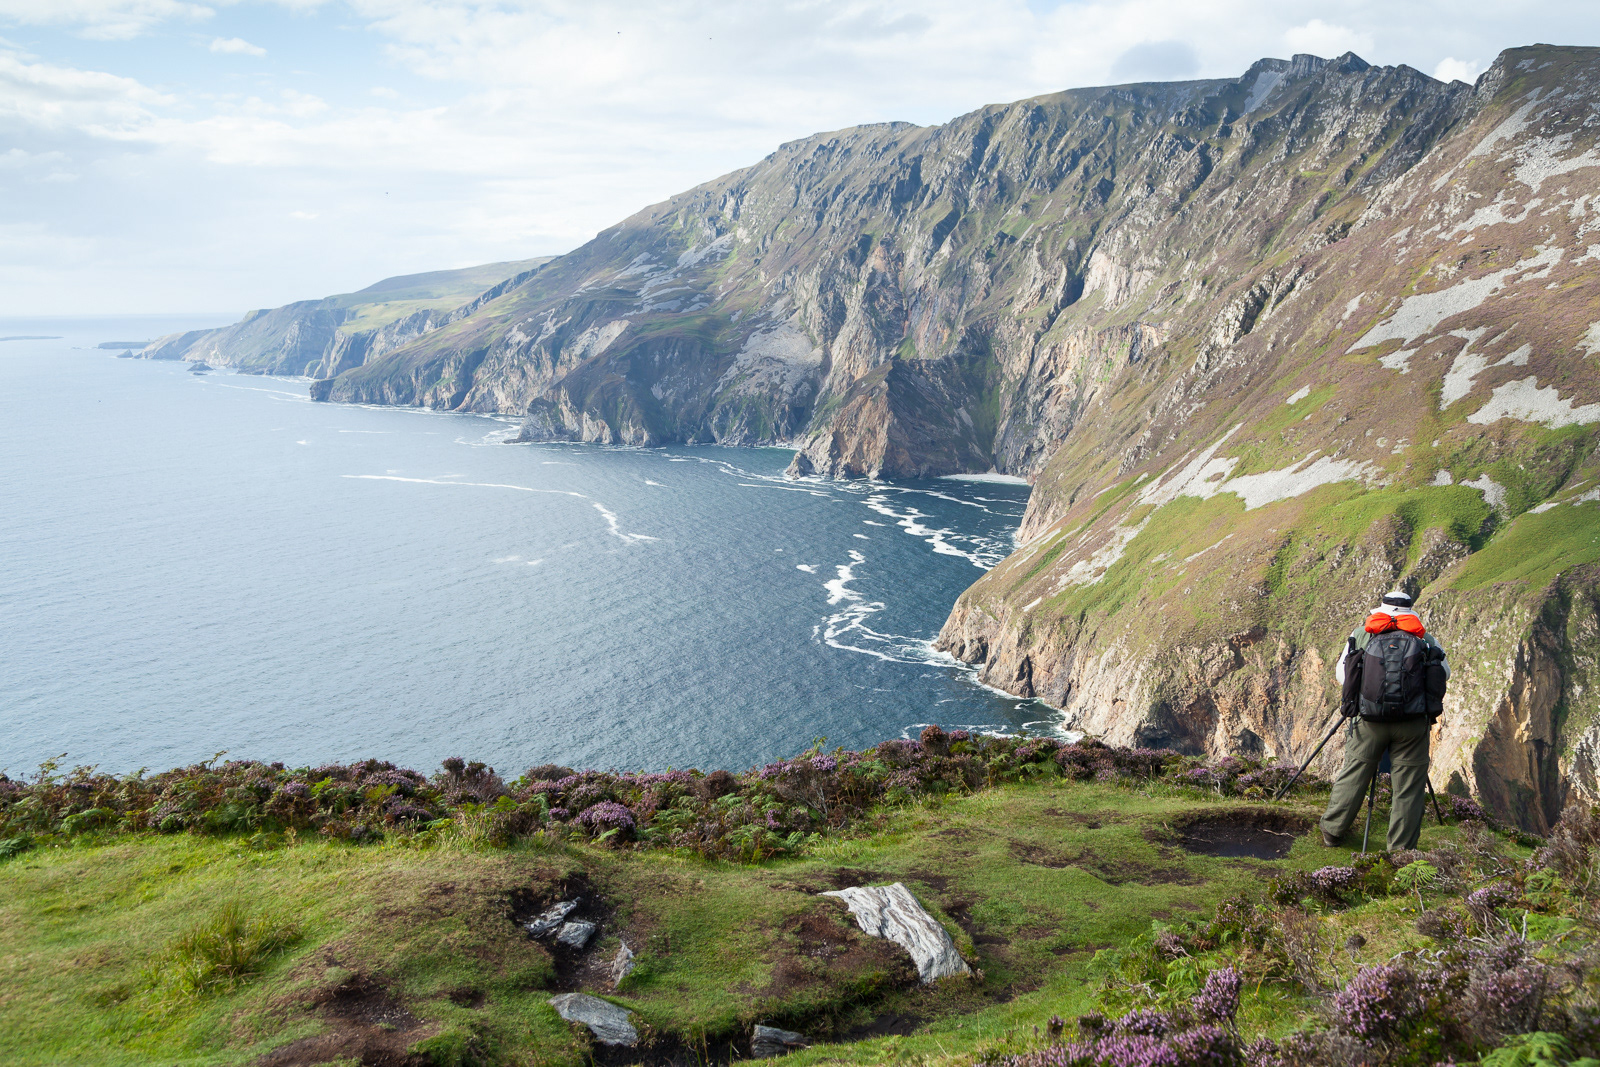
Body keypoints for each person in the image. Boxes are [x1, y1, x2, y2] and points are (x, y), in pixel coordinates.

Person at [1319, 589, 1450, 851]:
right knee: (1409, 786)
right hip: (1412, 724)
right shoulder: (1423, 637)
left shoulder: (1363, 633)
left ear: (1382, 608)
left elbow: (1343, 675)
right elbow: (1443, 673)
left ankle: (1333, 832)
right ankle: (1400, 850)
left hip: (1369, 720)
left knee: (1355, 772)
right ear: (1409, 611)